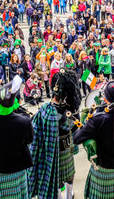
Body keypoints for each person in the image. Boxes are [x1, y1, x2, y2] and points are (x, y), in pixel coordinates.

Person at [74, 81, 114, 199]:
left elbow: (76, 138)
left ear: (105, 100)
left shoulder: (96, 120)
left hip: (102, 171)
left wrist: (86, 123)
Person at [28, 69, 81, 199]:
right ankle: (69, 195)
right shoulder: (72, 112)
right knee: (69, 176)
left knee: (55, 177)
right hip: (66, 150)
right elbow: (75, 131)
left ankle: (58, 196)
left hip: (50, 151)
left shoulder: (44, 111)